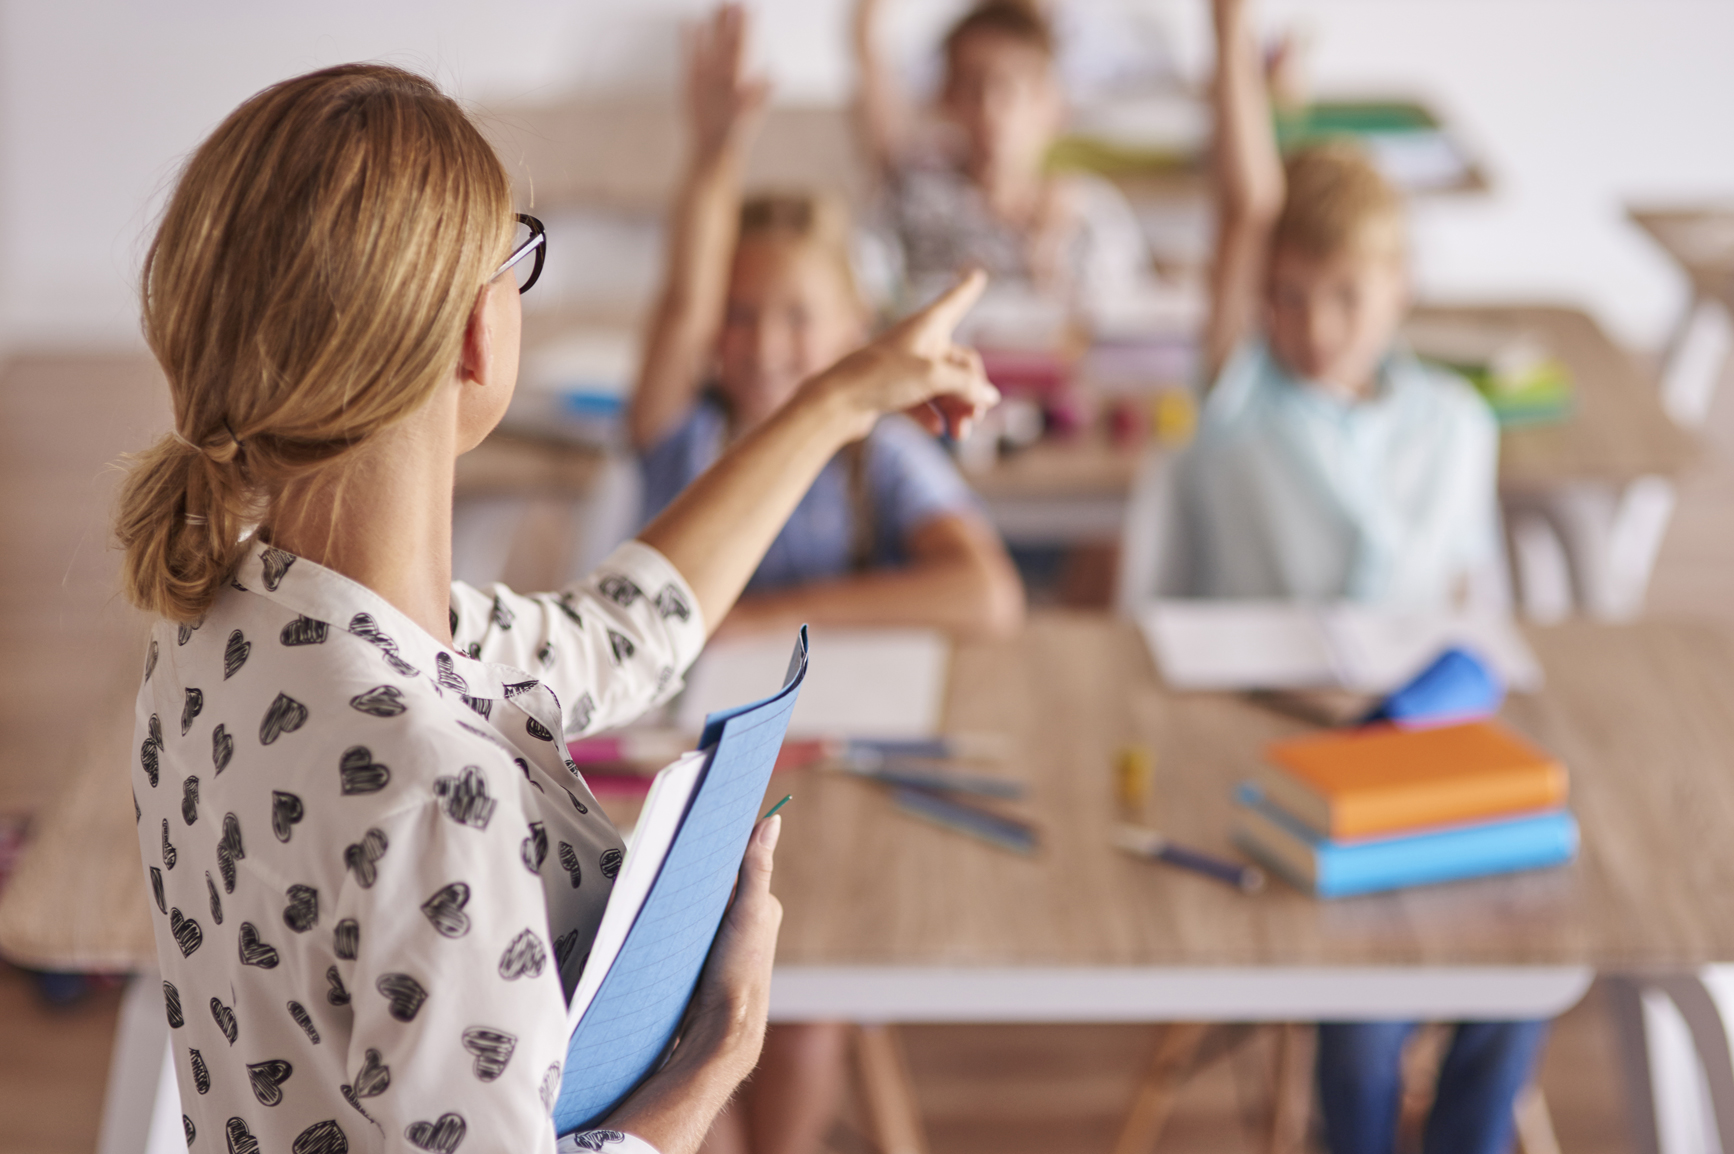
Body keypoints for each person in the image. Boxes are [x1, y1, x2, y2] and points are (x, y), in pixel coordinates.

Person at [116, 62, 997, 1154]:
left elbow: (619, 630)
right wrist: (720, 1048)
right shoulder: (443, 793)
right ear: (478, 336)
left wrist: (840, 399)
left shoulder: (224, 618)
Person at [1175, 3, 1543, 1153]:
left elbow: (1474, 596)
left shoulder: (1452, 418)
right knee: (1367, 987)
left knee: (1523, 961)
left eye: (1340, 296)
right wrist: (1232, 42)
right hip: (1283, 737)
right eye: (1283, 296)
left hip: (1420, 737)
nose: (1308, 324)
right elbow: (1246, 203)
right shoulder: (1247, 399)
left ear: (1399, 288)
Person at [633, 4, 1025, 643]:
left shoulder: (882, 456)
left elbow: (989, 595)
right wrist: (714, 154)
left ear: (855, 328)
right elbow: (683, 305)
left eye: (798, 317)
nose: (763, 345)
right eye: (736, 314)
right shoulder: (683, 437)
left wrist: (764, 623)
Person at [852, 0, 1149, 307]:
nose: (990, 110)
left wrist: (1048, 252)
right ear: (946, 97)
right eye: (971, 87)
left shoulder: (1092, 217)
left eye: (1010, 88)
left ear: (1049, 101)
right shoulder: (913, 193)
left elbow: (1116, 331)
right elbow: (871, 299)